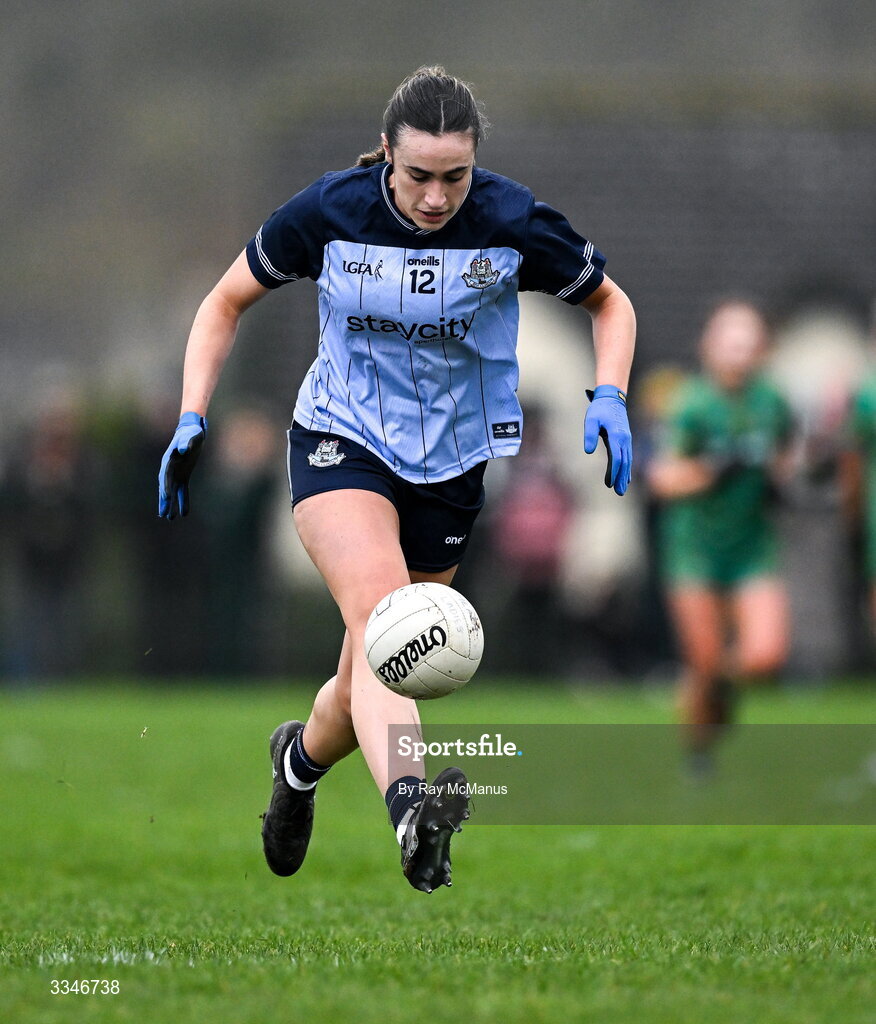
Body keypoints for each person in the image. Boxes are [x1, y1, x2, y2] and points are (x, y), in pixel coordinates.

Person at [157, 66, 635, 892]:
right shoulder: (328, 212)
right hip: (340, 443)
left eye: (455, 176)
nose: (436, 196)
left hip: (450, 470)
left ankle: (298, 763)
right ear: (386, 155)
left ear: (475, 163)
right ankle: (413, 812)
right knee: (389, 626)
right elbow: (223, 302)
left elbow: (610, 303)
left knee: (368, 672)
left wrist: (613, 395)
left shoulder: (512, 219)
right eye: (418, 175)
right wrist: (194, 410)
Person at [647, 300, 792, 772]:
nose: (739, 354)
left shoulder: (773, 401)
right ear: (709, 347)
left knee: (765, 655)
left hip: (752, 545)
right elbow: (663, 478)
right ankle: (699, 753)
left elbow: (786, 455)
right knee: (705, 663)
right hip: (695, 549)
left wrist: (789, 477)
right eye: (730, 343)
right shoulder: (691, 403)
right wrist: (712, 471)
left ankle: (713, 693)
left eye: (748, 344)